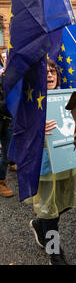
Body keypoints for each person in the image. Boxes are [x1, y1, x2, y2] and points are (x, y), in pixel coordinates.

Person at [28, 59, 76, 265]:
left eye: (52, 70)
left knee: (67, 202)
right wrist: (36, 130)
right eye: (44, 72)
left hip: (67, 159)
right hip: (45, 164)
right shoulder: (29, 101)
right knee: (50, 211)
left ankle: (40, 222)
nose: (49, 75)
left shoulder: (66, 95)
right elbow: (18, 133)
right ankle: (54, 252)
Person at [0, 52, 13, 198]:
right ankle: (1, 180)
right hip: (2, 120)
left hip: (8, 121)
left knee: (7, 153)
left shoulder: (14, 78)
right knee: (4, 154)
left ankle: (2, 179)